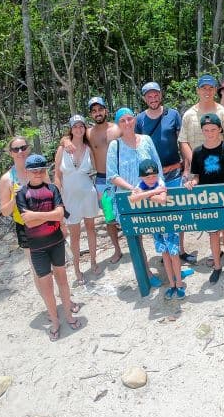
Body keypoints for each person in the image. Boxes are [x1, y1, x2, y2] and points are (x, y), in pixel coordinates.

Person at [16, 154, 82, 341]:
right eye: (34, 170)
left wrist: (37, 215)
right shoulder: (21, 194)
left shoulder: (52, 189)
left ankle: (68, 315)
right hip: (37, 249)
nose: (38, 173)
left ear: (45, 170)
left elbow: (60, 214)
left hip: (56, 243)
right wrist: (50, 215)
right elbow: (28, 222)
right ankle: (55, 321)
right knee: (47, 288)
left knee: (63, 282)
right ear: (27, 172)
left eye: (41, 169)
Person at [135, 81, 193, 262]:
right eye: (149, 96)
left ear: (160, 95)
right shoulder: (139, 120)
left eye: (155, 95)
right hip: (151, 177)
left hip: (174, 171)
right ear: (144, 98)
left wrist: (187, 169)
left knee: (177, 212)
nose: (153, 98)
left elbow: (182, 142)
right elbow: (136, 145)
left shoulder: (173, 114)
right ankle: (165, 253)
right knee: (157, 213)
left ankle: (180, 250)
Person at [107, 107, 164, 288]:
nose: (127, 123)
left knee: (163, 230)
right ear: (118, 124)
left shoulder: (146, 140)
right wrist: (133, 189)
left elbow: (158, 166)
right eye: (122, 120)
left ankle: (173, 268)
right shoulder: (115, 146)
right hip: (129, 199)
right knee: (136, 238)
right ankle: (146, 273)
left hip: (152, 195)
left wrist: (160, 188)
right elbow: (112, 175)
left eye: (130, 119)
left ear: (135, 120)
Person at [185, 113, 224, 285]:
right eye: (206, 130)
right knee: (213, 234)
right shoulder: (197, 152)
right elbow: (196, 176)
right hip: (208, 199)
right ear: (202, 131)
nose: (210, 133)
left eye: (213, 129)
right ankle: (217, 266)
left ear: (220, 129)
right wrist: (192, 183)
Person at [0, 136, 51, 295]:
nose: (20, 151)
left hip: (47, 221)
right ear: (10, 153)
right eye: (16, 149)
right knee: (38, 269)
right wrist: (14, 199)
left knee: (56, 264)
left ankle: (60, 298)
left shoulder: (39, 170)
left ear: (28, 148)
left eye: (23, 147)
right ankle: (49, 303)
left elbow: (53, 193)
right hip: (25, 228)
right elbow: (5, 211)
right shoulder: (7, 179)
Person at [128, 159, 185, 299]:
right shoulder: (141, 184)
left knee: (174, 254)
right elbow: (132, 198)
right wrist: (153, 193)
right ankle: (172, 284)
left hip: (169, 223)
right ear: (141, 177)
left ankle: (179, 283)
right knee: (164, 255)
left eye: (154, 176)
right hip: (156, 225)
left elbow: (162, 199)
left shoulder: (160, 182)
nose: (151, 179)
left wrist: (144, 195)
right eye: (148, 177)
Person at [54, 115, 99, 284]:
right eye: (75, 126)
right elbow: (57, 175)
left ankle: (93, 261)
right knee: (74, 235)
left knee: (91, 228)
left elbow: (96, 171)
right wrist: (57, 198)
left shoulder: (88, 149)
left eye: (81, 126)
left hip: (88, 194)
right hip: (69, 197)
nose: (79, 129)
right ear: (71, 129)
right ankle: (77, 268)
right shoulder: (62, 149)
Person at [86, 97, 123, 263]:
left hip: (121, 179)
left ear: (106, 110)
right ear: (91, 114)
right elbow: (69, 138)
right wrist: (65, 141)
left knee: (127, 213)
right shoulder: (88, 133)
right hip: (102, 180)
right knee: (109, 218)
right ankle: (117, 250)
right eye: (94, 111)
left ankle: (135, 246)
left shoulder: (117, 129)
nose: (98, 113)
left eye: (100, 109)